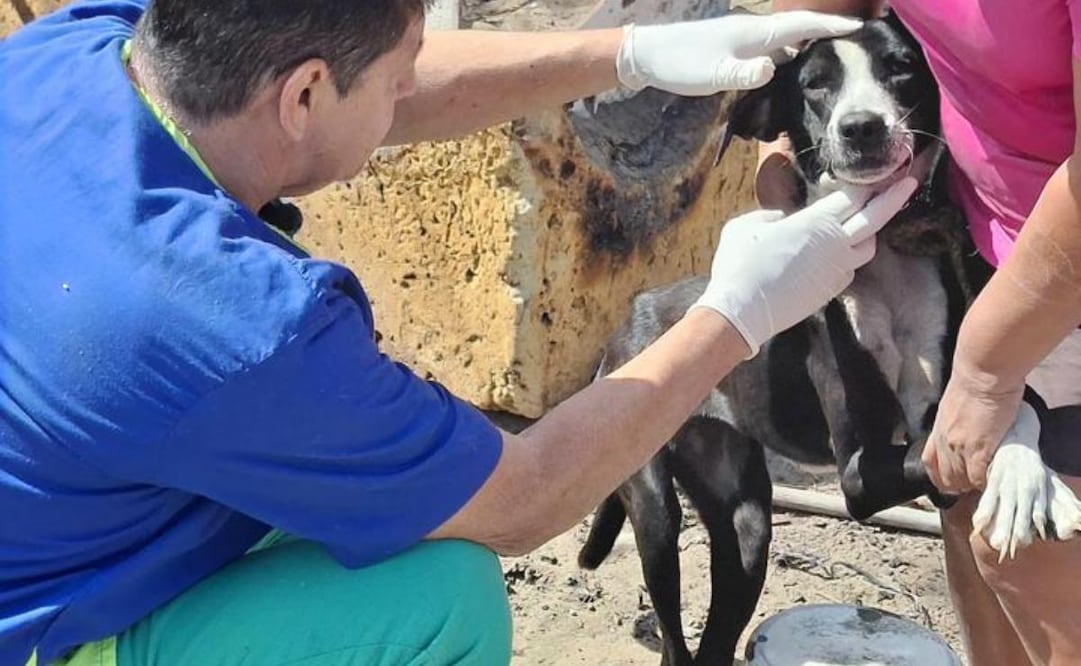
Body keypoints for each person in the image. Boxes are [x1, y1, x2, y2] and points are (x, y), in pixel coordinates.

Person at [0, 2, 916, 665]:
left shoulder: (71, 54)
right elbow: (520, 497)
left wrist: (627, 54)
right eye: (398, 73)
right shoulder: (238, 323)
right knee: (437, 602)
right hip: (40, 629)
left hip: (63, 505)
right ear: (306, 94)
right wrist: (736, 312)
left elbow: (366, 82)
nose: (412, 86)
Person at [761, 1, 1081, 664]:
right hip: (990, 252)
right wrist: (781, 190)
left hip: (1061, 269)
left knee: (1036, 552)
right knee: (977, 518)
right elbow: (805, 32)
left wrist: (986, 375)